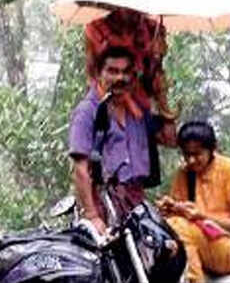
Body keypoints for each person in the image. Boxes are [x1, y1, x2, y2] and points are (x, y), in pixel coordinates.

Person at [68, 45, 176, 235]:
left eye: (126, 72)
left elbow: (169, 139)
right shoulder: (88, 111)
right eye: (113, 71)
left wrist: (162, 97)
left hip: (135, 200)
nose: (120, 78)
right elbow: (80, 169)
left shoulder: (138, 111)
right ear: (99, 72)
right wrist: (93, 216)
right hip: (102, 202)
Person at [158, 121, 230, 283]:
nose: (191, 160)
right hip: (204, 245)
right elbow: (179, 219)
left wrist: (201, 216)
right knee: (168, 227)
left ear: (212, 149)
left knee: (179, 227)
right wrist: (170, 208)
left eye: (197, 154)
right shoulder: (184, 174)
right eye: (186, 154)